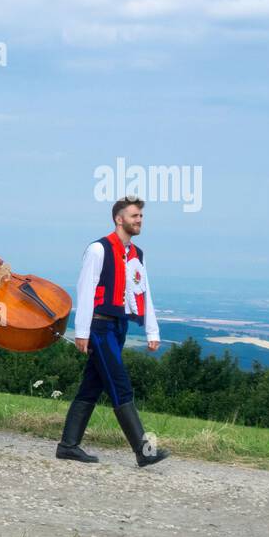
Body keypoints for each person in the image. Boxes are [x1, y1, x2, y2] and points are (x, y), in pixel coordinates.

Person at [56, 196, 169, 467]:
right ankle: (143, 451)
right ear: (120, 219)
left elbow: (145, 293)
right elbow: (85, 291)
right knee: (120, 385)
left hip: (119, 326)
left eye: (141, 216)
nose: (139, 220)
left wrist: (152, 331)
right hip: (99, 326)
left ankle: (68, 446)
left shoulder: (137, 254)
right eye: (134, 216)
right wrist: (81, 332)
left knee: (92, 386)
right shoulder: (98, 249)